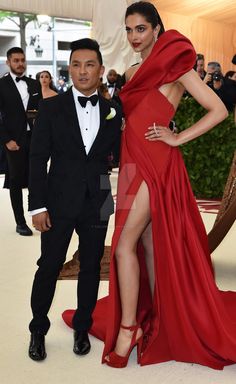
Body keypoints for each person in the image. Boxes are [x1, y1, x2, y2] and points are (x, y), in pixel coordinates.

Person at [62, 2, 236, 370]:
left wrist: (177, 138)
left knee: (123, 243)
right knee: (145, 242)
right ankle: (162, 317)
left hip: (156, 163)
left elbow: (218, 109)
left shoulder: (175, 64)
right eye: (128, 30)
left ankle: (129, 329)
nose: (133, 36)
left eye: (140, 28)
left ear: (157, 28)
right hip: (129, 162)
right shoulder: (129, 69)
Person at [27, 38, 122, 361]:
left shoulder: (113, 110)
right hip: (57, 201)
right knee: (49, 265)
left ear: (101, 70)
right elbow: (37, 159)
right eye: (76, 65)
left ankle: (83, 326)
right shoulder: (51, 107)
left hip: (98, 198)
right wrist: (37, 206)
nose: (82, 71)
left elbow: (123, 156)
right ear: (69, 68)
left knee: (92, 267)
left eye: (89, 64)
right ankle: (38, 329)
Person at [0, 47, 42, 236]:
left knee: (37, 178)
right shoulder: (1, 85)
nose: (20, 64)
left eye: (22, 60)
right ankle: (20, 221)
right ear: (8, 62)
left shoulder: (34, 84)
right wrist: (6, 140)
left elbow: (42, 112)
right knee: (16, 181)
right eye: (16, 60)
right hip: (13, 141)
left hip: (35, 139)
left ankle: (37, 215)